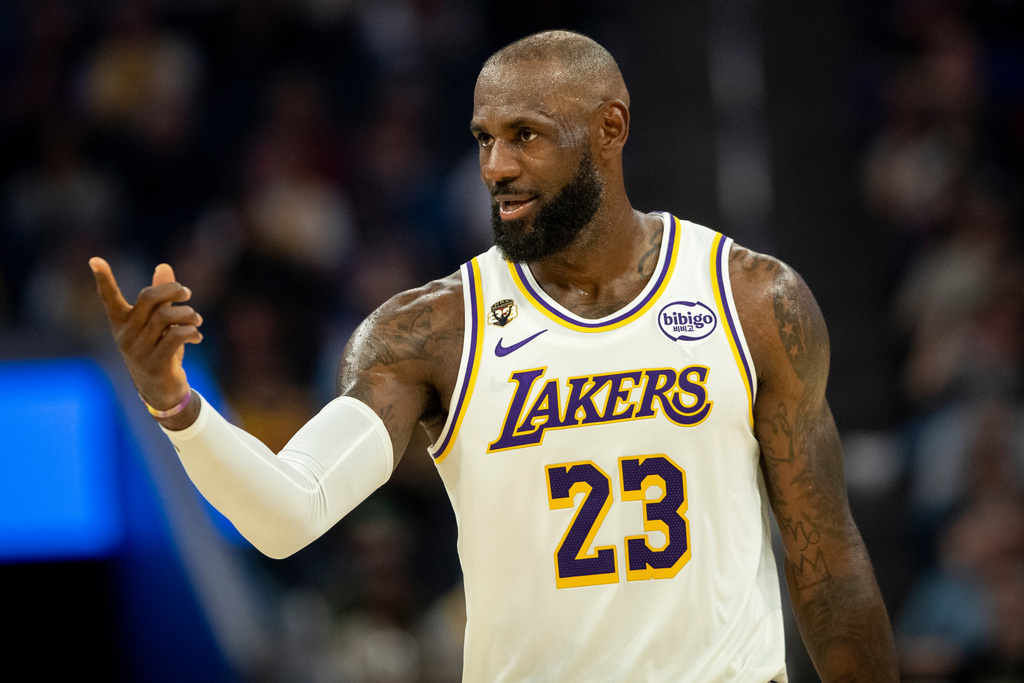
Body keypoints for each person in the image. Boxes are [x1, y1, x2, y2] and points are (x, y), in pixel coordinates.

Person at [91, 30, 898, 683]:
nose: (495, 167)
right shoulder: (432, 329)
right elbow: (286, 515)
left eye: (525, 137)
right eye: (484, 138)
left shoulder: (754, 299)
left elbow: (828, 561)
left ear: (609, 129)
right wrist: (178, 405)